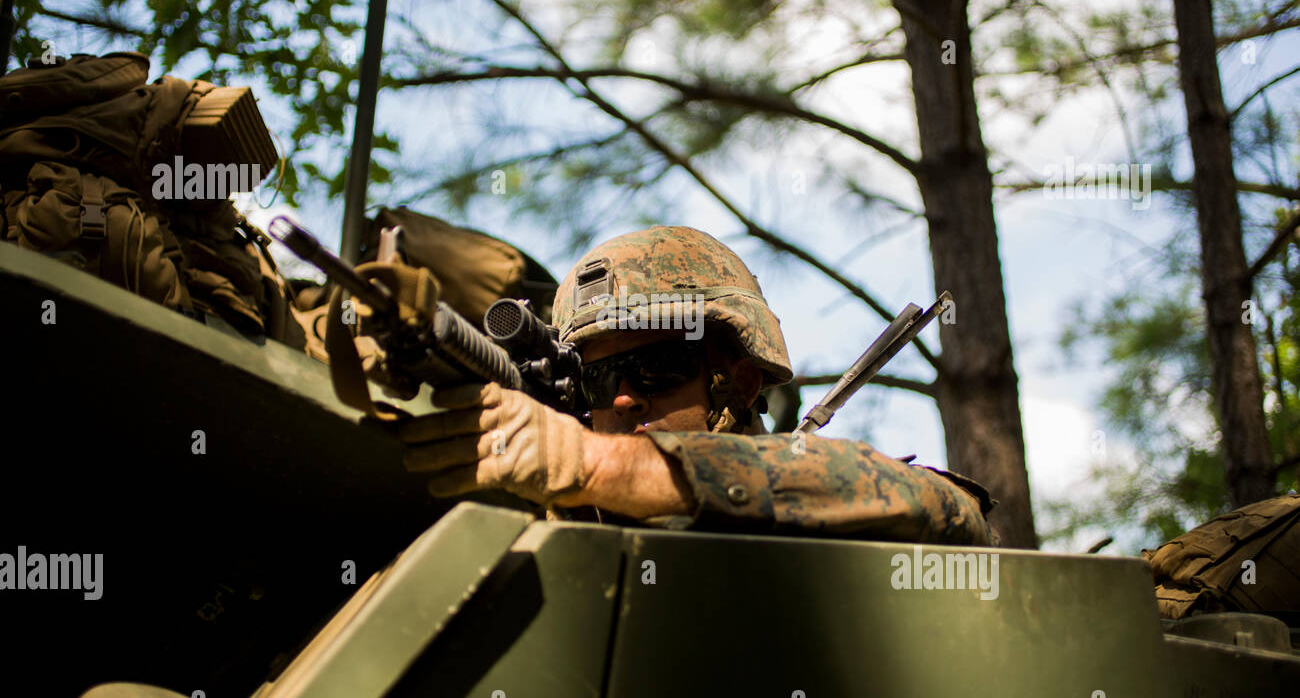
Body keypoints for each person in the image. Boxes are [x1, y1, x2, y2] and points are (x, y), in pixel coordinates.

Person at [397, 226, 997, 546]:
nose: (626, 398)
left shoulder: (836, 501)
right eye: (598, 380)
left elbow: (950, 513)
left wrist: (600, 467)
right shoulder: (563, 523)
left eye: (658, 367)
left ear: (737, 380)